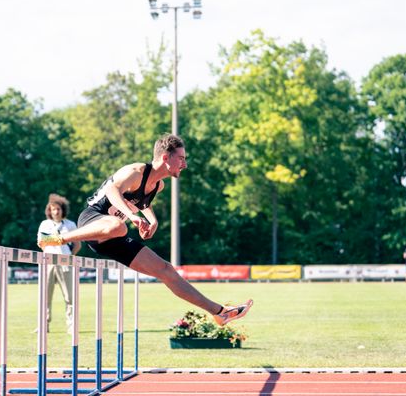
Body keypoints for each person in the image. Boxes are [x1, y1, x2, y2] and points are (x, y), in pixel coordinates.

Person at [40, 134, 252, 326]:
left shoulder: (158, 186)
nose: (185, 164)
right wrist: (132, 216)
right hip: (93, 222)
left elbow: (143, 203)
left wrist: (152, 221)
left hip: (114, 237)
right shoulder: (135, 171)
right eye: (182, 158)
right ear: (165, 158)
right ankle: (57, 239)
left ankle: (219, 312)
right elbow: (112, 190)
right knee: (117, 225)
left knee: (166, 270)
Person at [37, 194, 82, 333]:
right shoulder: (45, 224)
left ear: (63, 210)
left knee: (69, 296)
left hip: (65, 263)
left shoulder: (70, 224)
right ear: (49, 210)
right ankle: (43, 325)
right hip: (48, 263)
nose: (56, 212)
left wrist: (69, 257)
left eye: (58, 209)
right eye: (53, 209)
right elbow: (41, 242)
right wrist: (60, 240)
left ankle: (71, 326)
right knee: (45, 295)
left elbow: (77, 244)